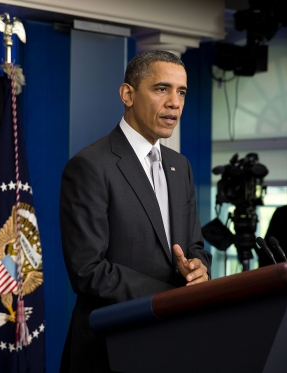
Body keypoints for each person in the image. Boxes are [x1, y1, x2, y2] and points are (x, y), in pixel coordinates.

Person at [59, 50, 212, 372]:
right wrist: (173, 297)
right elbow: (88, 270)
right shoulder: (90, 165)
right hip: (113, 345)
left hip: (173, 340)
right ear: (128, 94)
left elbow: (194, 244)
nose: (175, 102)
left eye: (181, 92)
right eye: (162, 89)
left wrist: (198, 266)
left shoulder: (179, 165)